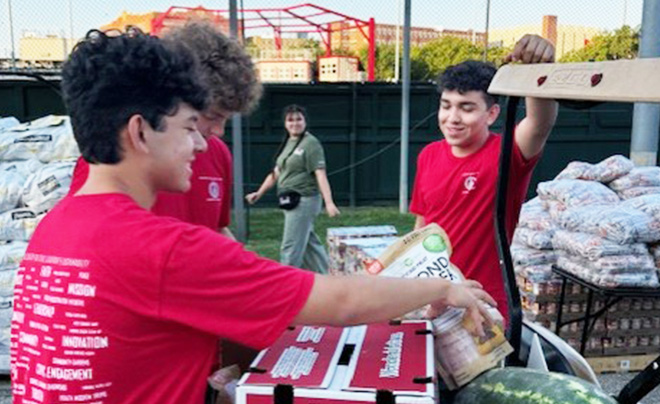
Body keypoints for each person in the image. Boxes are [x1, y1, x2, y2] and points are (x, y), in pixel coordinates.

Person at [11, 30, 494, 404]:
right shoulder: (163, 246)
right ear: (140, 131)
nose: (203, 143)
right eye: (189, 127)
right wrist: (442, 287)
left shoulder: (57, 225)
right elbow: (340, 299)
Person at [410, 34, 559, 325]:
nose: (452, 117)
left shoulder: (506, 154)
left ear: (491, 114)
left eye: (466, 108)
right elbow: (421, 229)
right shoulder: (428, 155)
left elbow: (540, 124)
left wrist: (539, 69)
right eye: (446, 105)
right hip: (435, 300)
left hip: (484, 304)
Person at [68, 22, 262, 240]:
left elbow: (216, 228)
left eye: (226, 119)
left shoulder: (218, 154)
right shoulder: (113, 158)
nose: (218, 131)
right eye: (212, 116)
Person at [246, 105, 340, 274]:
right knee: (309, 244)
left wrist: (329, 203)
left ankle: (285, 284)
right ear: (285, 123)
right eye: (290, 120)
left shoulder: (310, 143)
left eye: (298, 119)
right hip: (290, 200)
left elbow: (320, 174)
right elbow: (275, 173)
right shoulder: (288, 143)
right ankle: (328, 276)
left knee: (291, 246)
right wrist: (259, 193)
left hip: (304, 200)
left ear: (305, 122)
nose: (295, 123)